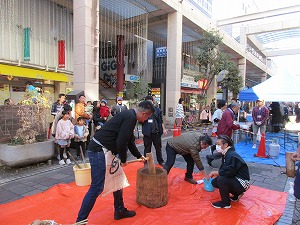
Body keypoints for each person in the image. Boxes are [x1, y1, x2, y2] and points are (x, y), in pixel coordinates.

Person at [76, 100, 155, 222]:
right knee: (96, 187)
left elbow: (129, 141)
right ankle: (80, 221)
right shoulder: (130, 118)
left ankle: (119, 210)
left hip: (108, 150)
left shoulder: (131, 116)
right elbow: (121, 142)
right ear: (144, 114)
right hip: (98, 150)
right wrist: (123, 160)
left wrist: (139, 156)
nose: (145, 120)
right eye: (148, 117)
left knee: (117, 180)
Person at [208, 135, 250, 209]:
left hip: (242, 182)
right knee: (215, 182)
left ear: (226, 145)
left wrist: (216, 173)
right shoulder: (226, 153)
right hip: (237, 179)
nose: (217, 146)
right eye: (216, 144)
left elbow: (228, 172)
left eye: (218, 144)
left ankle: (225, 203)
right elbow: (225, 169)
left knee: (221, 179)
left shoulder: (230, 155)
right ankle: (236, 194)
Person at [142, 96, 167, 166]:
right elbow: (140, 121)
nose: (149, 103)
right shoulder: (143, 110)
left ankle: (160, 160)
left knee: (158, 148)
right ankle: (146, 162)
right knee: (147, 148)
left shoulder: (158, 110)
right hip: (147, 133)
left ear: (153, 102)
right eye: (148, 101)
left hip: (156, 132)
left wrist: (164, 129)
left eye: (150, 101)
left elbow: (161, 121)